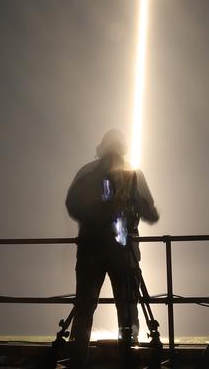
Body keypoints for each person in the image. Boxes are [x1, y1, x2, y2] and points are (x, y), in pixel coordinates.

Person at [64, 129, 158, 365]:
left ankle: (77, 359)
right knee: (127, 309)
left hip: (90, 250)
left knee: (84, 308)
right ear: (123, 149)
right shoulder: (133, 174)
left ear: (101, 148)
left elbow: (72, 205)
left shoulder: (86, 172)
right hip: (123, 251)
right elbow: (151, 213)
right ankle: (128, 358)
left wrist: (94, 216)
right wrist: (130, 207)